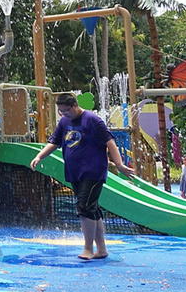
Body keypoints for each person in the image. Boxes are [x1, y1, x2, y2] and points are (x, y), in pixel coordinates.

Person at [31, 93, 133, 261]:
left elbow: (110, 142)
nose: (64, 114)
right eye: (61, 111)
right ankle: (101, 249)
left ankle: (87, 248)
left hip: (93, 171)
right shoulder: (64, 122)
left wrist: (120, 165)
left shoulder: (92, 120)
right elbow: (55, 142)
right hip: (75, 171)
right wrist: (39, 156)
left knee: (84, 207)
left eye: (66, 111)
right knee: (92, 208)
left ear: (74, 105)